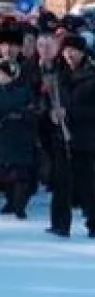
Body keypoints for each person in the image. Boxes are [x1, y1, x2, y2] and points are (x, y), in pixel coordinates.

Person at [0, 59, 37, 220]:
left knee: (19, 173)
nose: (0, 77)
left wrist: (20, 114)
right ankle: (10, 200)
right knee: (2, 173)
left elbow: (33, 109)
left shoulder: (23, 90)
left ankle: (19, 205)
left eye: (4, 74)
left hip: (19, 137)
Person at [49, 34, 95, 238]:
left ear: (82, 52)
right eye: (66, 50)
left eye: (73, 50)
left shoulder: (92, 76)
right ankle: (59, 224)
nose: (69, 54)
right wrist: (50, 114)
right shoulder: (58, 75)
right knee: (61, 183)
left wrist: (70, 113)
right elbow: (48, 101)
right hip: (62, 138)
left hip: (86, 139)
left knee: (88, 184)